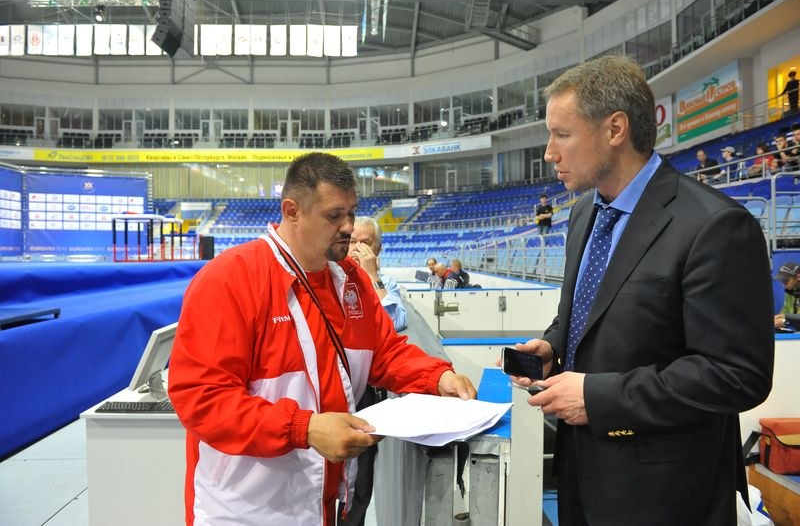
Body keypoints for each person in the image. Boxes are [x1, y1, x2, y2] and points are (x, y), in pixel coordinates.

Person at [510, 55, 773, 526]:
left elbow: (736, 374)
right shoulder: (583, 214)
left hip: (667, 498)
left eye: (562, 134)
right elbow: (594, 312)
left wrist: (599, 397)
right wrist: (553, 344)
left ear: (615, 129)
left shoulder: (714, 225)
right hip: (581, 478)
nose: (549, 152)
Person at [167, 152, 476, 526]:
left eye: (352, 212)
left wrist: (436, 377)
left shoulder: (352, 281)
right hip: (243, 512)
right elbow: (201, 398)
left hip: (326, 505)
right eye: (334, 216)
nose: (348, 226)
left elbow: (386, 353)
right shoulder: (230, 280)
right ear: (292, 210)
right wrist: (305, 428)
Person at [338, 215, 406, 526]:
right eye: (354, 241)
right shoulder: (331, 278)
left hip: (369, 394)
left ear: (378, 248)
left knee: (361, 477)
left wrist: (371, 278)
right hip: (336, 389)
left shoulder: (384, 282)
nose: (358, 248)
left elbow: (394, 324)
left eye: (366, 242)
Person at [773, 261, 800, 330]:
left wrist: (785, 322)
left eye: (786, 280)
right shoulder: (790, 292)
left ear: (798, 277)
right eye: (782, 281)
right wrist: (778, 318)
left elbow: (786, 317)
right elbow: (784, 313)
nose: (783, 284)